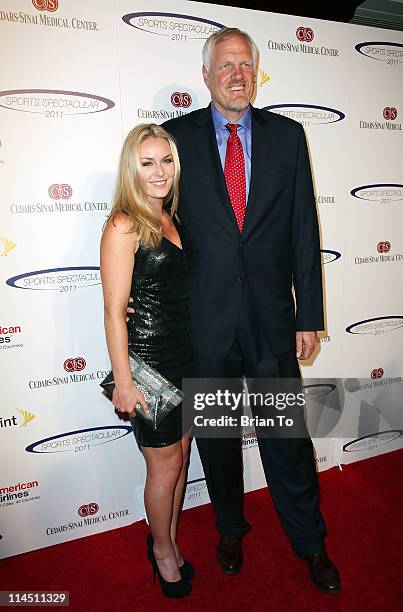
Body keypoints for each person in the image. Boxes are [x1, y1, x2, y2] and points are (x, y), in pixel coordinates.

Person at [160, 27, 341, 594]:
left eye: (246, 65)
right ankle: (230, 527)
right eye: (226, 65)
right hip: (203, 318)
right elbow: (159, 230)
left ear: (256, 73)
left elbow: (303, 230)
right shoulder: (174, 138)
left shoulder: (288, 137)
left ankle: (309, 542)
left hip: (270, 317)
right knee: (216, 436)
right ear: (207, 76)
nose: (237, 74)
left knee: (285, 437)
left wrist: (307, 313)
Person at [100, 124, 194, 599]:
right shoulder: (124, 224)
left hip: (187, 353)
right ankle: (160, 552)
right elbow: (115, 311)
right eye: (148, 162)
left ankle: (170, 539)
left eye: (167, 161)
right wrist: (123, 380)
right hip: (148, 361)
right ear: (132, 169)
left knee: (180, 458)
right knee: (164, 466)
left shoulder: (175, 217)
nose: (160, 172)